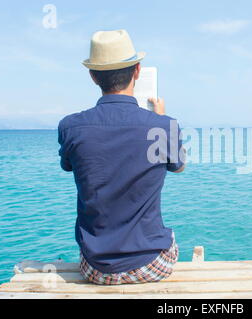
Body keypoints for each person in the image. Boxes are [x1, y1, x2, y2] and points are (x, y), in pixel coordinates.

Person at [57, 29, 185, 285]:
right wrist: (160, 119)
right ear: (137, 71)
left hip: (96, 269)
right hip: (151, 266)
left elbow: (69, 165)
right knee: (170, 238)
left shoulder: (70, 126)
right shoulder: (162, 127)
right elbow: (178, 167)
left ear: (93, 76)